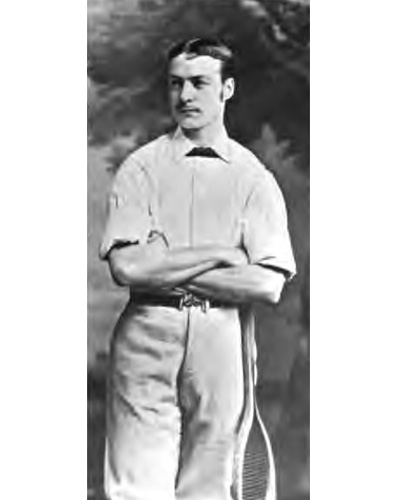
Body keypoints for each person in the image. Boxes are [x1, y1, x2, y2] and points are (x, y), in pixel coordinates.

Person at [99, 38, 296, 500]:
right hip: (147, 330)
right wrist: (222, 253)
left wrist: (162, 262)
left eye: (199, 83)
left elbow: (267, 284)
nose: (185, 95)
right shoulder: (140, 169)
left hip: (221, 335)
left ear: (227, 89)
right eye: (176, 84)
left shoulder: (253, 179)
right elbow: (127, 269)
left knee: (211, 482)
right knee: (136, 482)